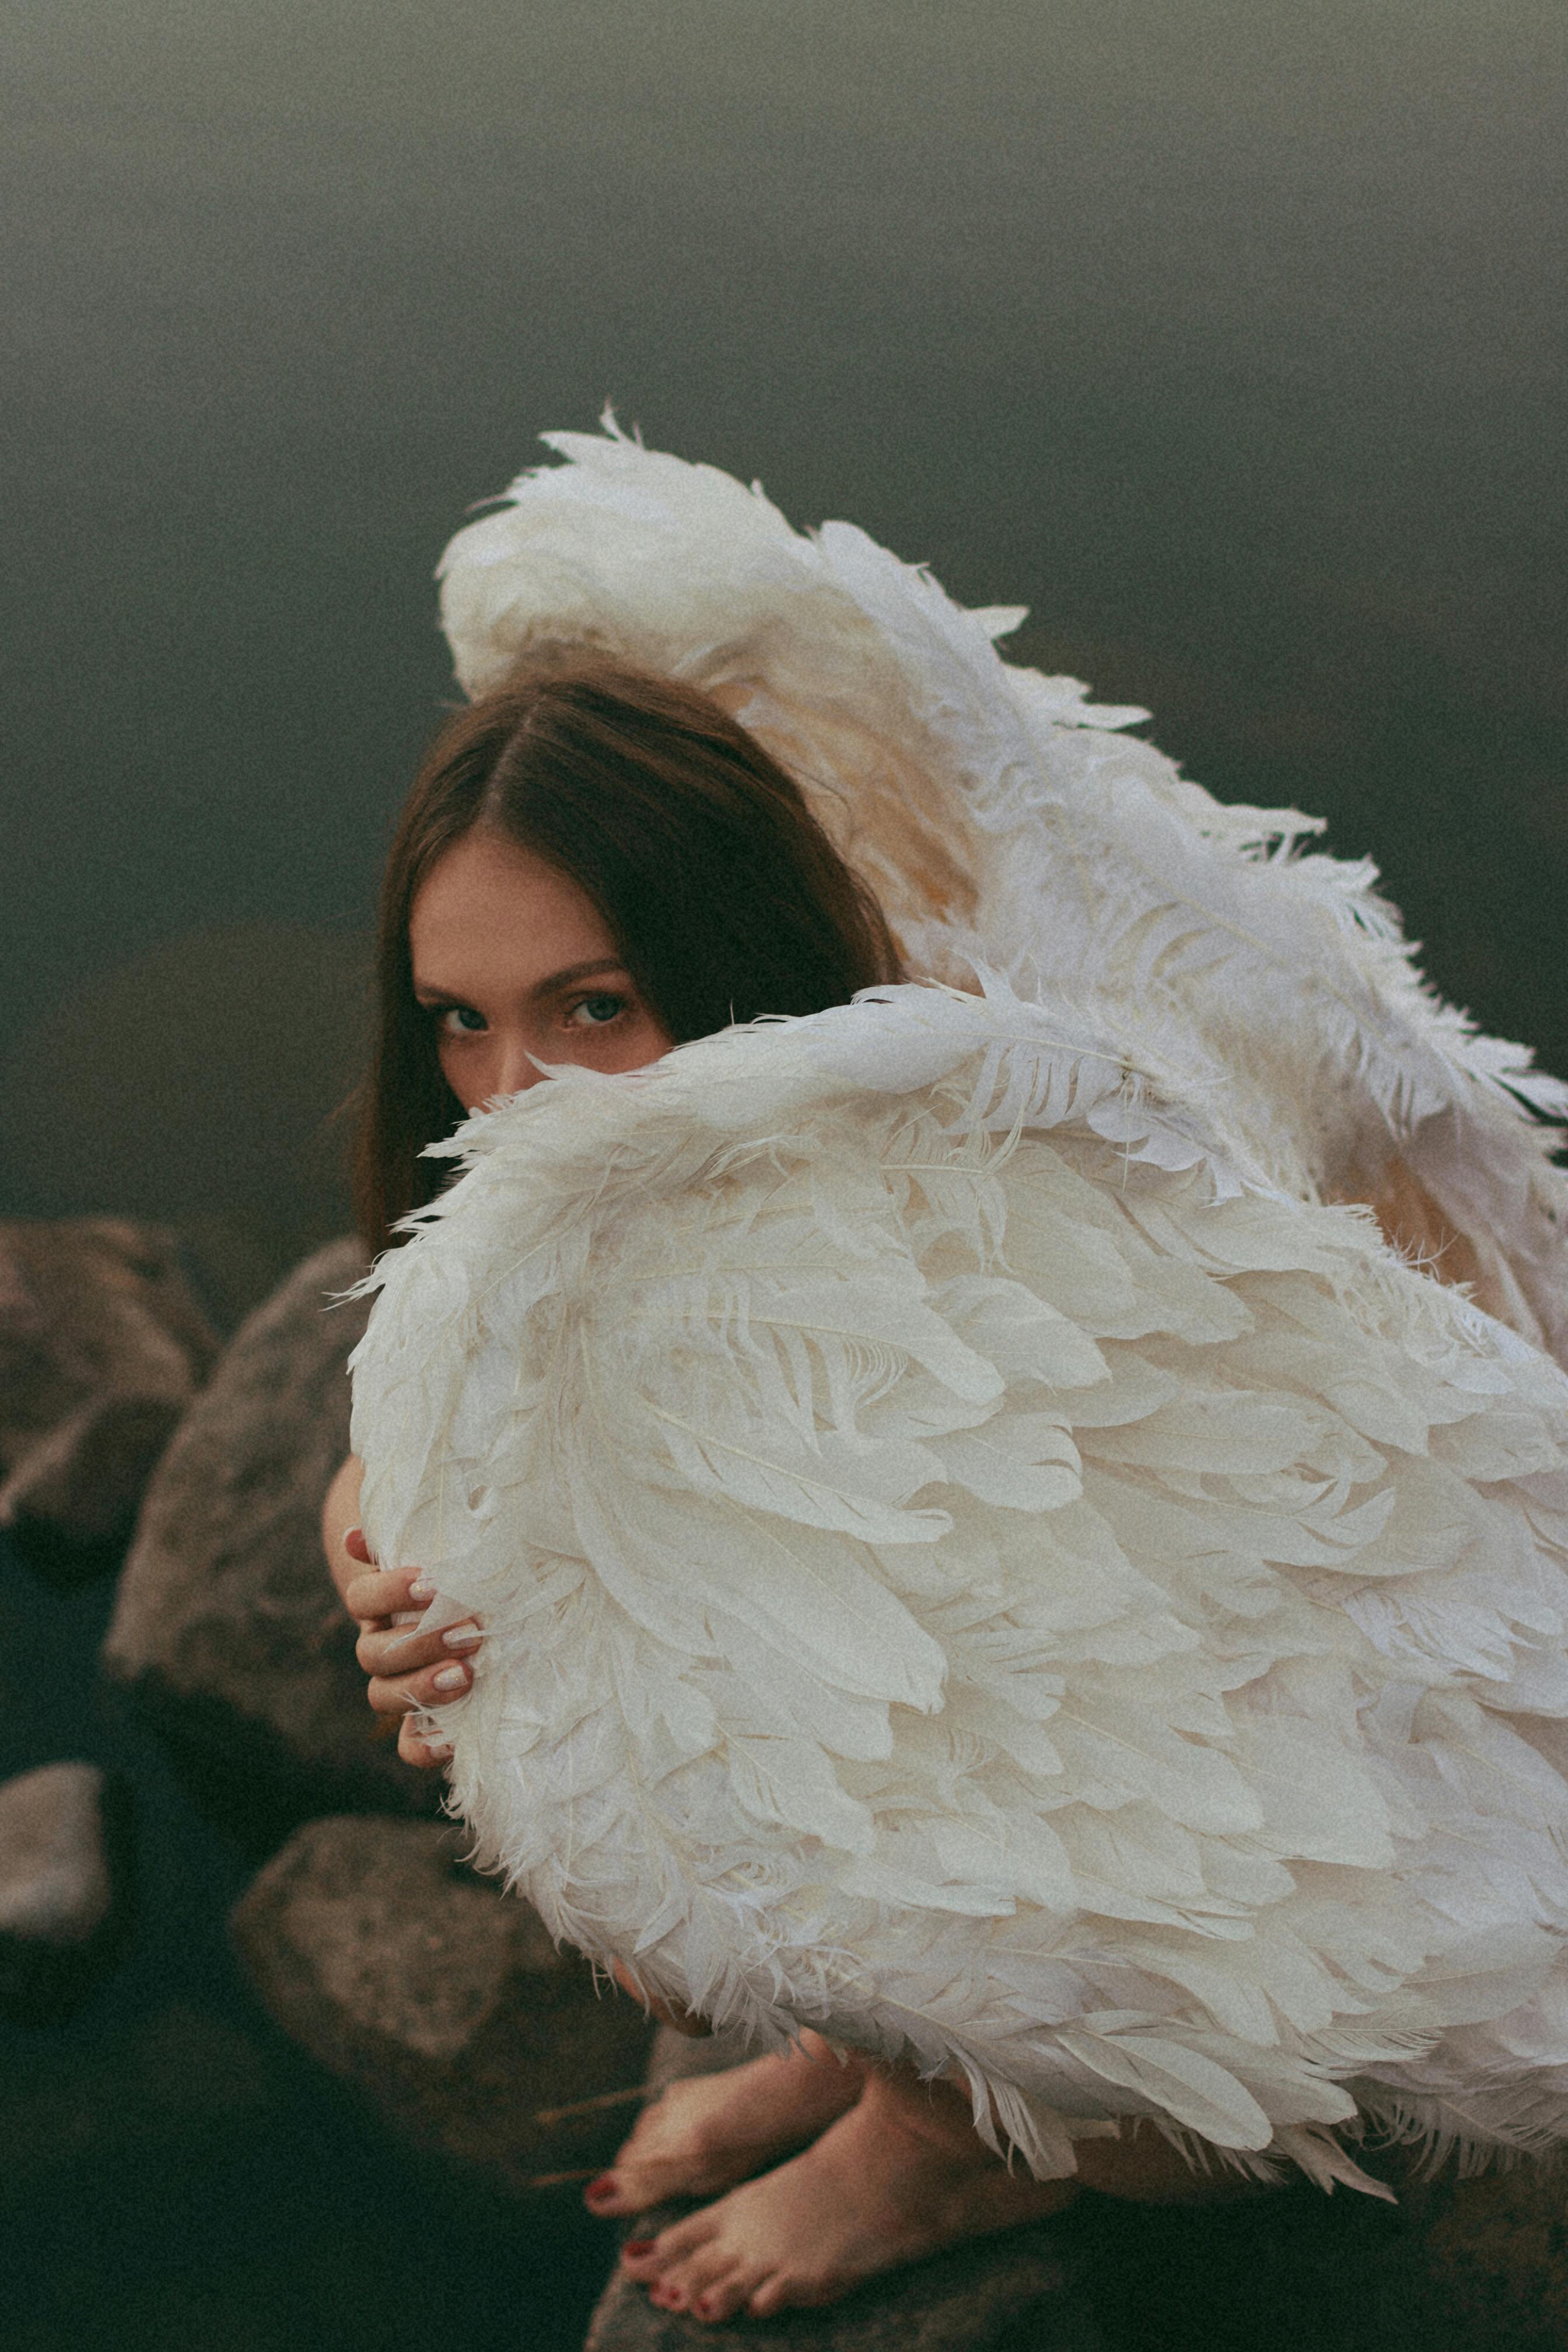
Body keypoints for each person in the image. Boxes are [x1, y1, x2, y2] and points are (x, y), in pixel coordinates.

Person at [322, 658, 1291, 2325]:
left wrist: (617, 1753)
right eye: (462, 1021)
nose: (511, 1099)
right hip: (903, 1736)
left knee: (729, 1792)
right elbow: (388, 1471)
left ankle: (941, 2136)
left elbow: (1047, 1709)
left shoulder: (932, 1241)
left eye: (597, 1007)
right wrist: (393, 1579)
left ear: (737, 973)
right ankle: (856, 2050)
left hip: (1135, 1818)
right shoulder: (561, 1202)